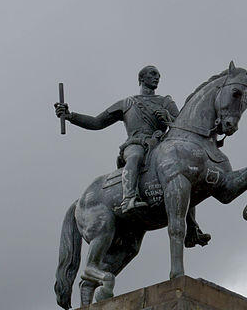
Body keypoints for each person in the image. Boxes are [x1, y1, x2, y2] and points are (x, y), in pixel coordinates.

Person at [54, 65, 179, 213]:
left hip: (160, 144)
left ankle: (191, 227)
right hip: (136, 143)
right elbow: (97, 122)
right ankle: (128, 199)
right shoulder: (126, 103)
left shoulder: (166, 102)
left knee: (181, 168)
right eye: (153, 74)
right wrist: (71, 116)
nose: (157, 77)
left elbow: (180, 126)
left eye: (158, 75)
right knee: (135, 157)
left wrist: (167, 118)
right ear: (141, 78)